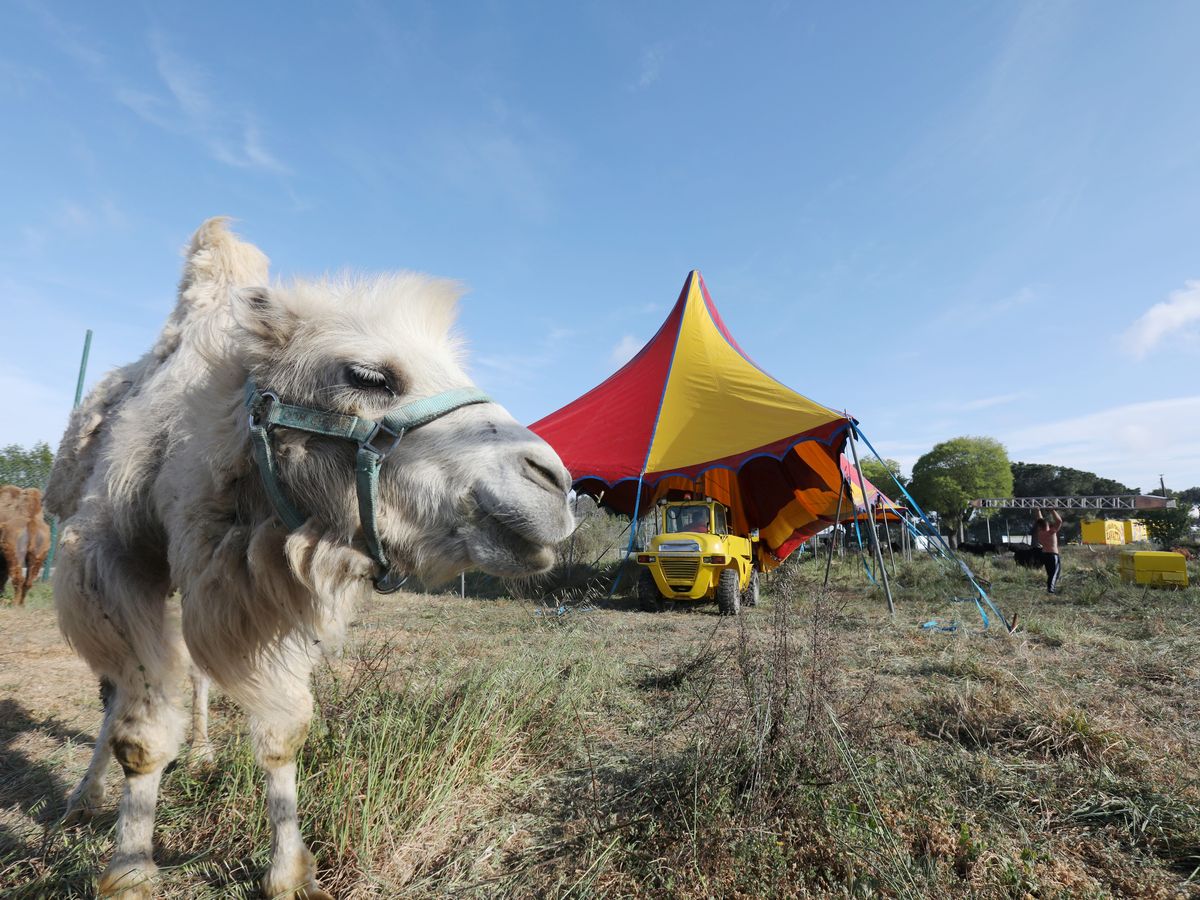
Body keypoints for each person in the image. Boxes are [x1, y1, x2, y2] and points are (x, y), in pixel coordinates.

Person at [1033, 508, 1063, 593]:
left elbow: (1040, 520)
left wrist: (1038, 511)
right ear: (1046, 525)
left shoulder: (1040, 533)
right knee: (1054, 574)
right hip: (1053, 555)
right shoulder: (1050, 532)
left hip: (1045, 555)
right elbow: (1059, 521)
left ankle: (1051, 589)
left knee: (1051, 574)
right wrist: (1052, 510)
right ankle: (1051, 590)